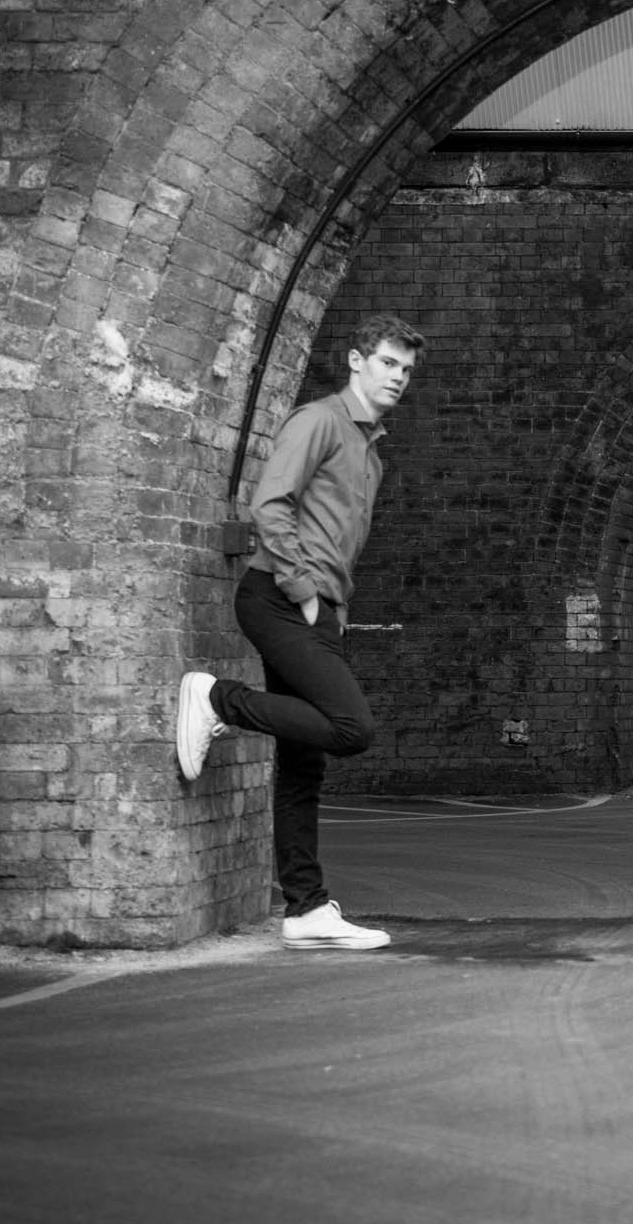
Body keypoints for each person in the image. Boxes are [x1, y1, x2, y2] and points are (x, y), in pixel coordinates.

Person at [172, 313, 427, 953]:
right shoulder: (320, 422)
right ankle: (216, 700)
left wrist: (332, 606)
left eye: (406, 369)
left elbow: (337, 539)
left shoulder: (371, 452)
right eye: (388, 363)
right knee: (351, 728)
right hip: (279, 599)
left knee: (302, 768)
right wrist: (302, 587)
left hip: (318, 611)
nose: (398, 377)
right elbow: (269, 504)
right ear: (356, 360)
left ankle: (306, 908)